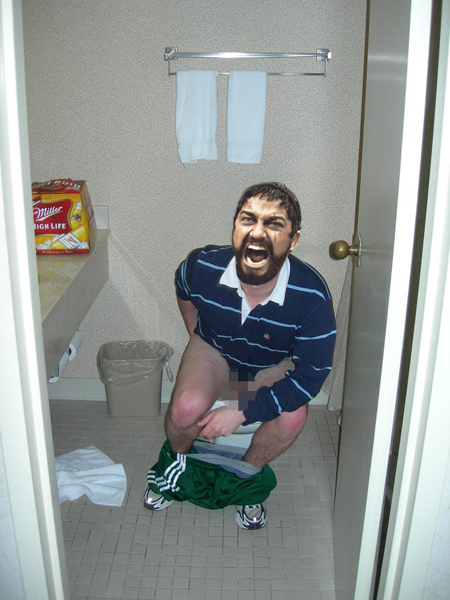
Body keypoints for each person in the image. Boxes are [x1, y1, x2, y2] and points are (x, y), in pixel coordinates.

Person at [144, 182, 336, 529]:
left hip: (271, 365)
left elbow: (310, 377)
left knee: (293, 417)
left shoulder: (311, 296)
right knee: (185, 408)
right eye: (248, 220)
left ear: (293, 240)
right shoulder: (203, 266)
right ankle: (176, 469)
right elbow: (183, 286)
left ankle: (246, 479)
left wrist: (241, 410)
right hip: (215, 350)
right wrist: (196, 335)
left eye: (274, 226)